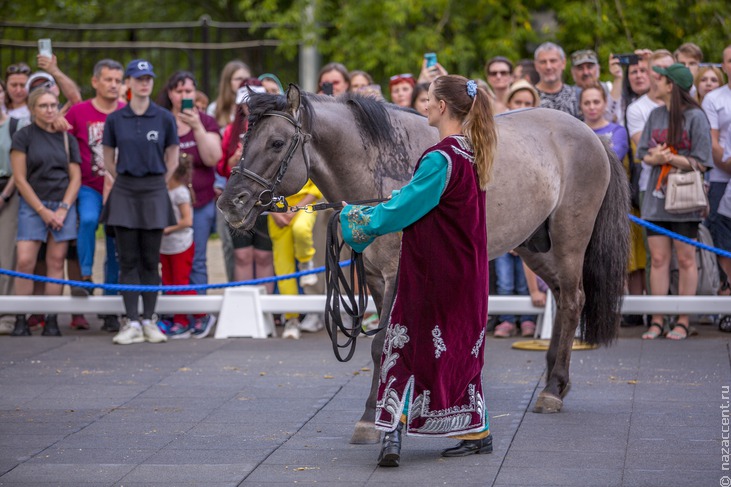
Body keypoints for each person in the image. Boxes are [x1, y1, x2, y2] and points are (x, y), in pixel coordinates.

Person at [341, 75, 496, 466]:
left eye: (428, 99)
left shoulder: (440, 156)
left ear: (443, 106)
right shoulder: (472, 152)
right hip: (467, 272)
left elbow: (402, 210)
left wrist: (355, 218)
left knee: (403, 345)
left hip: (434, 273)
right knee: (460, 349)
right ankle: (476, 430)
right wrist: (406, 196)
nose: (423, 105)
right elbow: (426, 201)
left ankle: (391, 432)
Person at [101, 59, 179, 345]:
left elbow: (172, 155)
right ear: (129, 83)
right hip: (125, 189)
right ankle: (131, 321)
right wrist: (122, 178)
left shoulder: (164, 117)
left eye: (148, 78)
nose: (145, 82)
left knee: (150, 259)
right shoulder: (115, 119)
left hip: (154, 189)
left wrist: (158, 180)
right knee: (127, 259)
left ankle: (149, 319)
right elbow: (108, 156)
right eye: (139, 78)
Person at [637, 63, 712, 340]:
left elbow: (702, 162)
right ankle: (657, 320)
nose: (654, 81)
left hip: (685, 200)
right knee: (657, 259)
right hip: (656, 200)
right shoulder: (655, 114)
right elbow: (643, 153)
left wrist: (670, 158)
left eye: (660, 78)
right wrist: (655, 157)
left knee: (685, 259)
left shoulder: (696, 117)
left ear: (672, 86)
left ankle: (682, 320)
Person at [9, 88, 81, 336]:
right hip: (33, 205)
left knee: (55, 261)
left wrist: (62, 208)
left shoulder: (65, 137)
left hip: (62, 204)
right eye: (43, 106)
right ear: (32, 109)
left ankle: (51, 318)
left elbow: (75, 177)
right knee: (25, 261)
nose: (50, 110)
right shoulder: (24, 136)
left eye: (53, 105)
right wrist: (42, 210)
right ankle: (22, 316)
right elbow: (19, 178)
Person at [64, 59, 126, 332]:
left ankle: (110, 307)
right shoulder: (79, 112)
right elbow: (57, 132)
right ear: (95, 81)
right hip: (89, 185)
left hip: (120, 188)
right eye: (108, 79)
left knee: (115, 247)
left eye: (117, 80)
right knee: (88, 220)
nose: (113, 85)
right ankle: (86, 275)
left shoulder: (126, 112)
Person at [158, 71, 222, 313]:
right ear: (170, 93)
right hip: (168, 204)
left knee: (197, 260)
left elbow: (213, 158)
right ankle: (174, 315)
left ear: (195, 93)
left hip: (200, 203)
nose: (183, 95)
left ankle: (199, 314)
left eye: (188, 91)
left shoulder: (206, 121)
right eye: (178, 91)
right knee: (169, 259)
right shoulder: (162, 119)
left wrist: (197, 128)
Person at [216, 81, 275, 293]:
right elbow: (221, 168)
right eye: (245, 103)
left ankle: (265, 311)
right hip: (238, 199)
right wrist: (233, 160)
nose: (249, 108)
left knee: (263, 255)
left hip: (263, 200)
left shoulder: (271, 129)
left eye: (254, 103)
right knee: (242, 255)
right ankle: (244, 309)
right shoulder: (231, 131)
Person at [159, 154, 214, 338]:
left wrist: (168, 229)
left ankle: (201, 314)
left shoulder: (181, 192)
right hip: (165, 246)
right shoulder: (163, 190)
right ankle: (178, 319)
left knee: (181, 284)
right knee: (168, 283)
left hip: (181, 245)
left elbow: (187, 220)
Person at [702, 45, 731, 299]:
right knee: (720, 238)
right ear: (724, 66)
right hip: (721, 176)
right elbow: (712, 142)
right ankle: (724, 295)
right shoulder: (714, 99)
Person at [0, 93, 19, 334]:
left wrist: (5, 195)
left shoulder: (15, 126)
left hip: (7, 191)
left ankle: (7, 316)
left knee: (6, 256)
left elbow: (19, 167)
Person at [534, 42, 580, 118]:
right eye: (543, 62)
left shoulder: (577, 95)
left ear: (563, 63)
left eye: (553, 61)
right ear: (536, 66)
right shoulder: (529, 97)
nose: (548, 67)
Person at [208, 60, 251, 129]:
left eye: (247, 79)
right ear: (228, 82)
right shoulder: (214, 108)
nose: (244, 82)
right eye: (239, 79)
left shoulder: (253, 107)